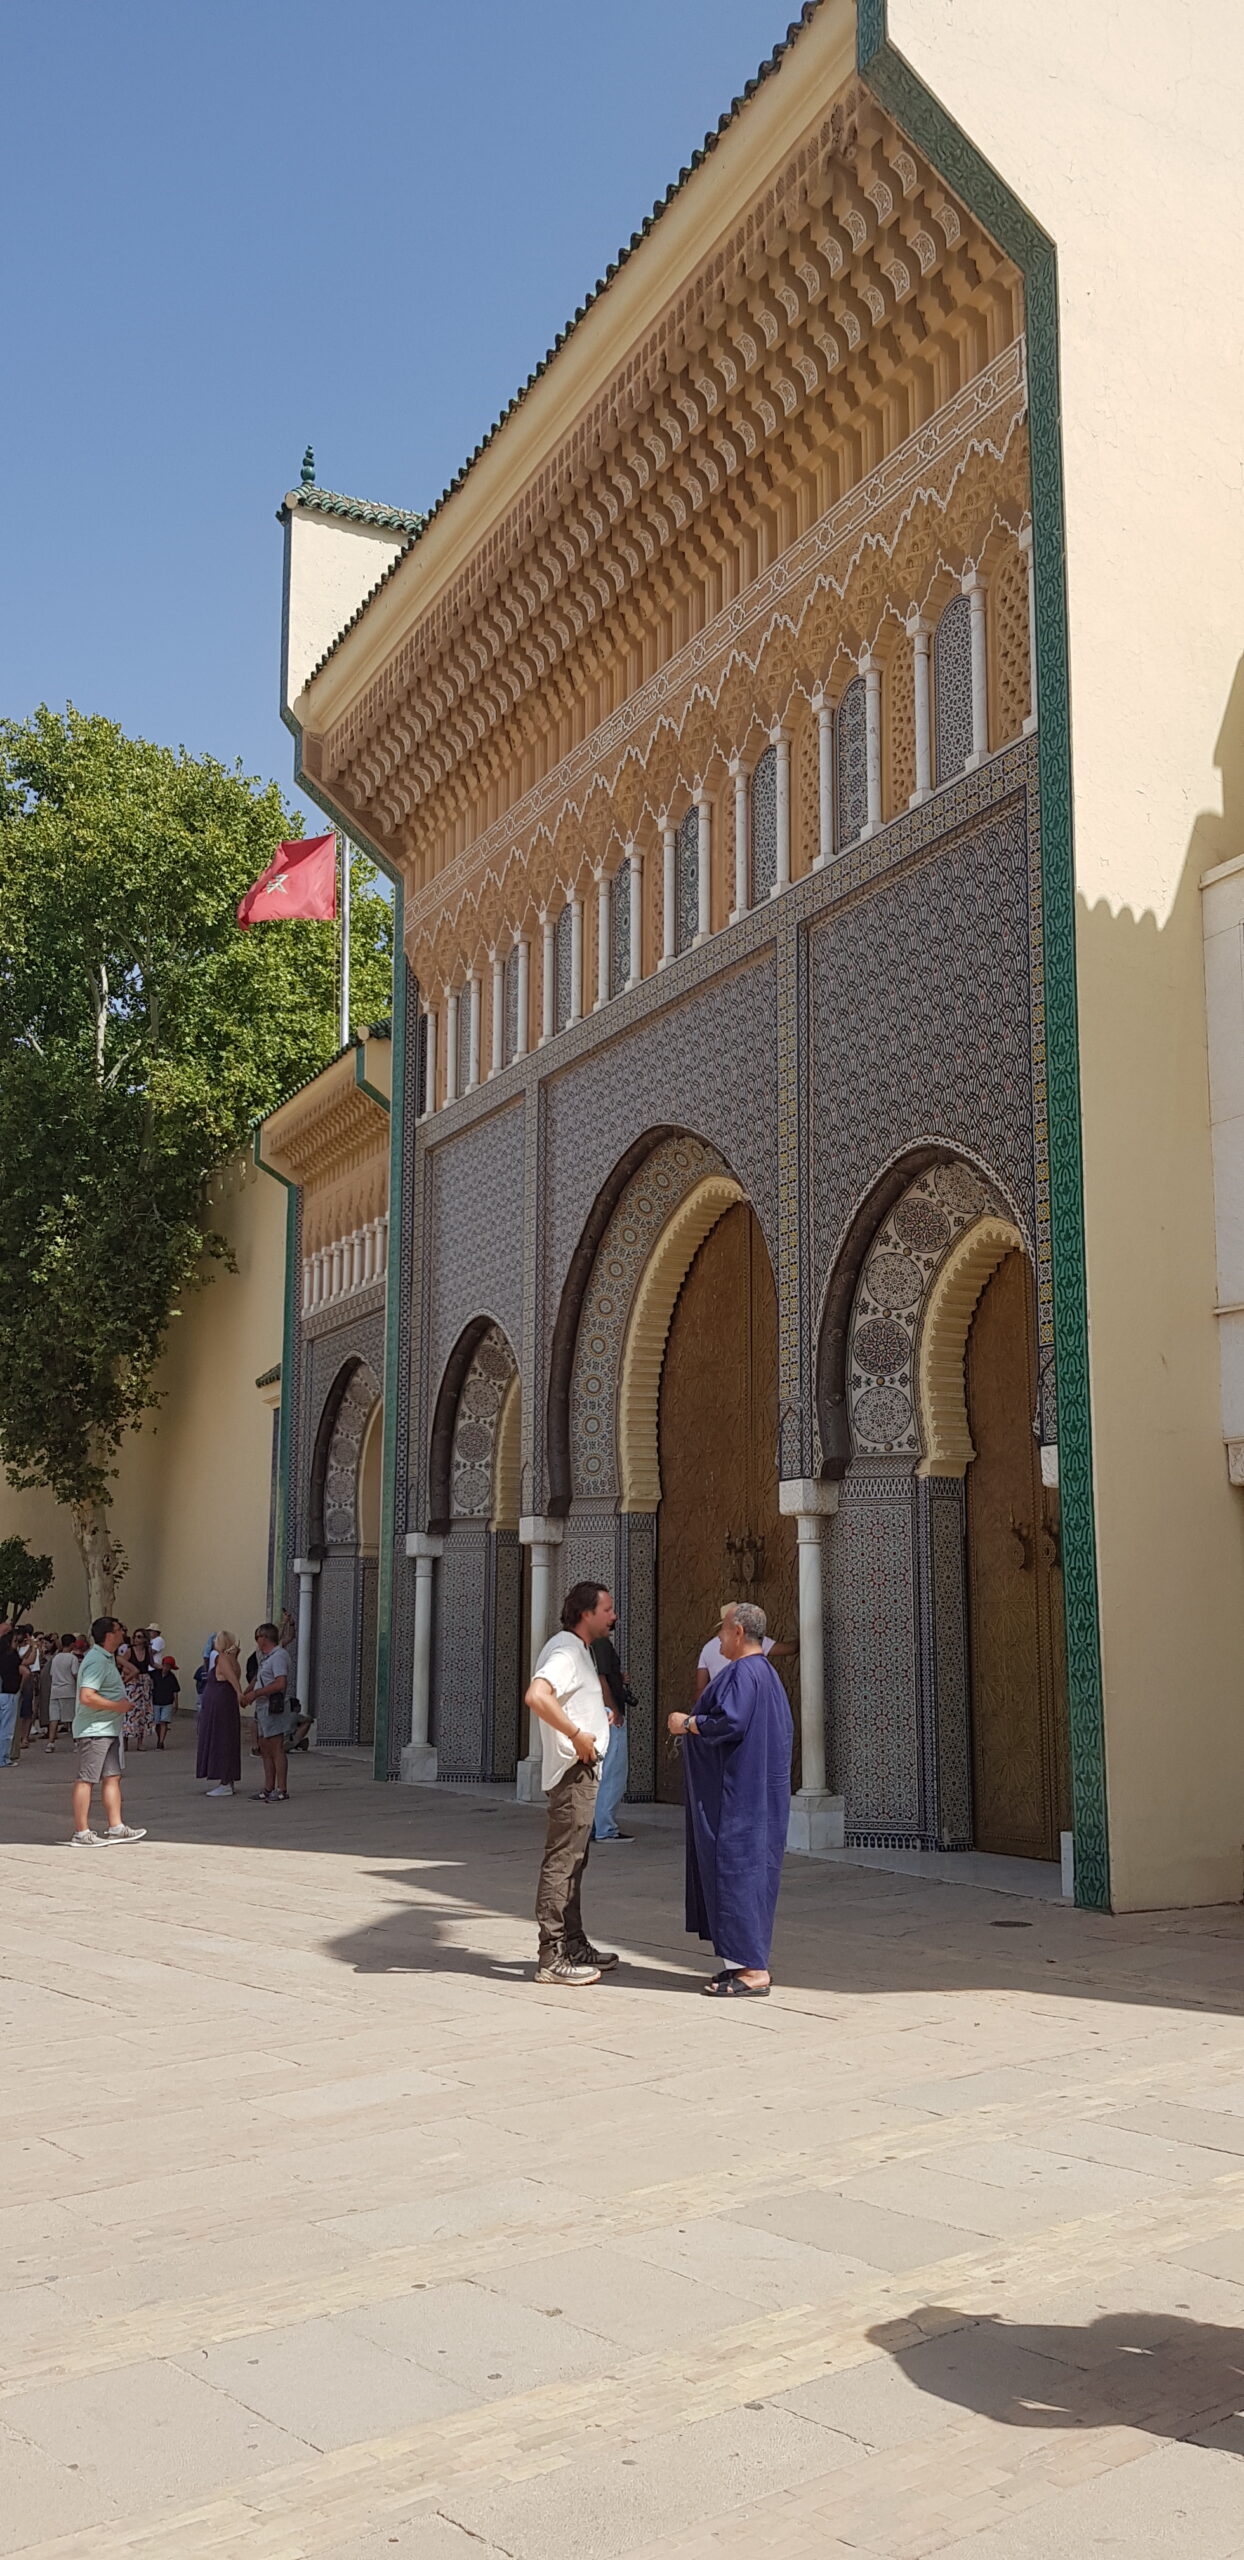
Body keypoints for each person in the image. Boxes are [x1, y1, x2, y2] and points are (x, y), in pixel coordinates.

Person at [668, 1599, 792, 1997]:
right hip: (754, 1795)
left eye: (723, 1630)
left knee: (736, 1872)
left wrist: (687, 1724)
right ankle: (739, 1963)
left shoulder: (744, 1673)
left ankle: (753, 1971)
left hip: (737, 1798)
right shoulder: (766, 1675)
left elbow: (731, 1721)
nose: (719, 1637)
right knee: (745, 1875)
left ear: (738, 1633)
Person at [524, 1581, 618, 1986]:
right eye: (607, 1609)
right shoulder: (564, 1650)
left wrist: (596, 1718)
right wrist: (578, 1735)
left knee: (576, 1860)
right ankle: (552, 1954)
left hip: (583, 1772)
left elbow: (567, 1700)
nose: (613, 1616)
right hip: (572, 1773)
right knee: (563, 1861)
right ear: (586, 1613)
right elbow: (537, 1696)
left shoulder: (578, 1650)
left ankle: (575, 1944)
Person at [71, 1617, 147, 1845]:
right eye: (119, 1630)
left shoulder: (107, 1658)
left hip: (107, 1728)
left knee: (112, 1777)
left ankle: (116, 1826)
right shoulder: (97, 1660)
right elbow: (87, 1696)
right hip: (95, 1729)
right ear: (109, 1635)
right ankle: (81, 1832)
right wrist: (119, 1706)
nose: (123, 1633)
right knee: (87, 1779)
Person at [694, 1600, 793, 1702]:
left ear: (738, 1631)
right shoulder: (754, 1646)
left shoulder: (709, 1649)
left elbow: (700, 1690)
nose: (719, 1636)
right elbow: (788, 1649)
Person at [591, 1617, 633, 1842]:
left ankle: (597, 1825)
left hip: (597, 1713)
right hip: (608, 1715)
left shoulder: (590, 1644)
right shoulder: (601, 1644)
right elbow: (601, 1680)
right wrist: (614, 1711)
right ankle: (605, 1829)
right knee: (613, 1771)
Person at [242, 1623, 292, 1801]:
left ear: (264, 1638)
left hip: (273, 1706)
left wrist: (256, 1693)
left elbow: (280, 1683)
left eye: (258, 1637)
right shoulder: (265, 1657)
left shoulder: (279, 1656)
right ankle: (268, 1786)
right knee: (265, 1747)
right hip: (263, 1707)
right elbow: (258, 1677)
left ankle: (282, 1788)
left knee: (276, 1746)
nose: (256, 1641)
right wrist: (247, 1692)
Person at [196, 1631, 243, 1796]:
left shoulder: (222, 1658)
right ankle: (226, 1778)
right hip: (223, 1700)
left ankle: (224, 1780)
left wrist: (239, 1693)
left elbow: (232, 1678)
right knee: (226, 1737)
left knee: (220, 1738)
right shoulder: (232, 1660)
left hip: (219, 1703)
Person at [121, 1628, 154, 1749]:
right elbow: (122, 1663)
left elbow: (152, 1664)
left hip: (144, 1682)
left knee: (144, 1711)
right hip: (132, 1682)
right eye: (135, 1637)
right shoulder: (129, 1651)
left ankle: (140, 1742)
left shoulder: (148, 1651)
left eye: (139, 1637)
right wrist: (129, 1673)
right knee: (129, 1710)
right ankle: (125, 1742)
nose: (136, 1639)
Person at [46, 1634, 79, 1752]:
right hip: (68, 1690)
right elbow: (75, 1673)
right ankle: (76, 1743)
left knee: (54, 1718)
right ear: (71, 1644)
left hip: (55, 1690)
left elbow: (51, 1674)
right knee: (72, 1718)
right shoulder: (72, 1658)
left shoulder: (56, 1657)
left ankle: (50, 1743)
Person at [0, 1632, 23, 1768]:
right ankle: (3, 1758)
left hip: (3, 1691)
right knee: (7, 1728)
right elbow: (26, 1662)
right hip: (9, 1694)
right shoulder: (12, 1656)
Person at [150, 1652, 180, 1747]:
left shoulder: (172, 1677)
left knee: (164, 1722)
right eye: (166, 1665)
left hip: (167, 1702)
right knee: (157, 1722)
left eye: (169, 1666)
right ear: (162, 1665)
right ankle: (159, 1738)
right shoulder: (155, 1674)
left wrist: (176, 1703)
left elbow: (175, 1691)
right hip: (156, 1701)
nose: (167, 1668)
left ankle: (161, 1742)